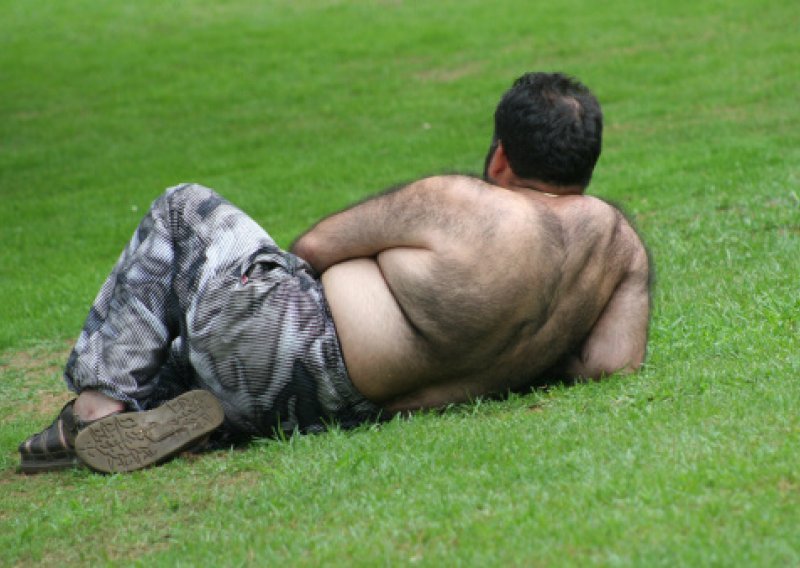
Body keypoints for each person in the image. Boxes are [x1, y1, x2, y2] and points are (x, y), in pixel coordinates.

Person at [18, 72, 650, 474]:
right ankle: (164, 414)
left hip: (297, 350)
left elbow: (315, 246)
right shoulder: (619, 244)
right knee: (198, 346)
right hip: (346, 409)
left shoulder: (463, 202)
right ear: (587, 165)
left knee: (184, 209)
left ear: (502, 156)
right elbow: (612, 363)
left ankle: (96, 413)